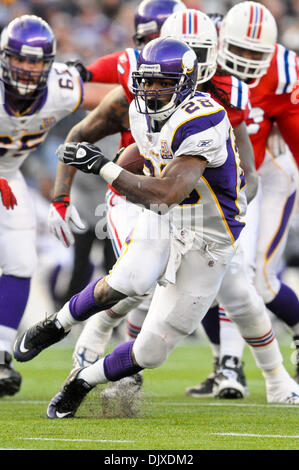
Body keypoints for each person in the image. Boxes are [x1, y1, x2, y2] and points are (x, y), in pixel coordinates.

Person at [13, 37, 299, 419]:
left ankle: (83, 379)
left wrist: (104, 167)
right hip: (165, 219)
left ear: (184, 82)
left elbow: (167, 192)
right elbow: (147, 152)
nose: (150, 90)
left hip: (209, 238)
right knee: (131, 279)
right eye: (145, 81)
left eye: (160, 82)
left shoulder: (205, 119)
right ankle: (58, 323)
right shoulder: (140, 107)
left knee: (152, 351)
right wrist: (118, 164)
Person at [187, 1, 299, 399]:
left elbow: (293, 133)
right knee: (218, 273)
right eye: (241, 50)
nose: (248, 61)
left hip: (267, 173)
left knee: (258, 280)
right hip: (222, 174)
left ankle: (235, 365)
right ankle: (227, 365)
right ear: (220, 42)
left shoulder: (285, 71)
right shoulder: (199, 55)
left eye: (258, 54)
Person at [0, 14, 95, 398]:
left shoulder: (60, 86)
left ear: (49, 64)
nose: (26, 68)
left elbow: (113, 97)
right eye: (19, 59)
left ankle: (1, 355)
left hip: (11, 171)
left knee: (22, 261)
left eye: (36, 61)